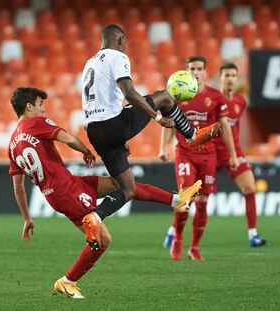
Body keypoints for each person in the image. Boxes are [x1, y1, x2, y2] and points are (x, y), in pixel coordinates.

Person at [8, 87, 201, 299]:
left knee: (124, 185)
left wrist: (27, 217)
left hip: (62, 189)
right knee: (103, 240)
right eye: (40, 104)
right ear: (29, 107)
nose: (43, 109)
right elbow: (69, 139)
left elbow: (18, 187)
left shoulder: (12, 145)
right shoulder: (35, 123)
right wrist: (87, 152)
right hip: (67, 192)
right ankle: (67, 281)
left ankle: (177, 200)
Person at [81, 24, 220, 249]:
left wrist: (119, 138)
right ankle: (192, 135)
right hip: (112, 124)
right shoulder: (117, 56)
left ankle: (96, 216)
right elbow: (129, 93)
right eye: (124, 43)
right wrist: (157, 118)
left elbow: (101, 103)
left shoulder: (90, 63)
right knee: (163, 97)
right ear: (120, 40)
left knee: (128, 189)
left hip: (95, 131)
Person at [159, 56, 239, 261]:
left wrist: (233, 155)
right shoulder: (176, 95)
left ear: (205, 71)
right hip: (185, 153)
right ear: (186, 71)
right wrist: (164, 147)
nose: (196, 72)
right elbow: (169, 123)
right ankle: (177, 238)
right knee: (186, 199)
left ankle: (194, 247)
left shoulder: (215, 97)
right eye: (192, 69)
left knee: (202, 203)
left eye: (199, 69)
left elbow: (225, 127)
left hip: (208, 155)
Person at [215, 62, 266, 247]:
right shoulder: (212, 100)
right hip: (212, 153)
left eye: (233, 76)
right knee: (195, 197)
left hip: (233, 152)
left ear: (237, 79)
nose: (230, 79)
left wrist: (234, 152)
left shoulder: (240, 101)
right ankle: (174, 231)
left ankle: (253, 235)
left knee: (250, 189)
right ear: (220, 77)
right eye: (226, 75)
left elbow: (232, 128)